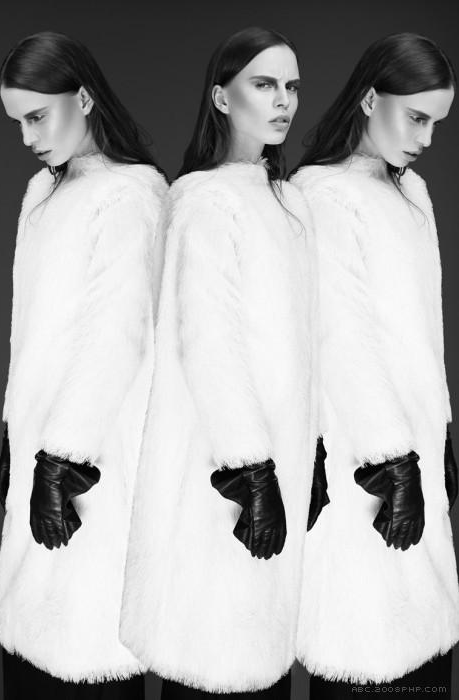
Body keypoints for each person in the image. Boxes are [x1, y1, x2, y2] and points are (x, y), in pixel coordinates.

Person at [120, 27, 318, 699]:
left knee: (261, 668)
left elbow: (302, 343)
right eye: (263, 84)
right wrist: (252, 470)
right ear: (221, 98)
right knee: (213, 667)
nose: (283, 100)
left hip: (279, 473)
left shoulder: (289, 203)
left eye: (291, 86)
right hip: (223, 484)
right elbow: (207, 342)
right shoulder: (203, 200)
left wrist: (313, 449)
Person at [0, 31, 167, 699]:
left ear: (85, 98)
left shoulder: (132, 195)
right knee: (31, 660)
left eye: (38, 116)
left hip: (91, 473)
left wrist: (61, 459)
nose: (28, 137)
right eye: (18, 122)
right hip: (38, 465)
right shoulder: (42, 194)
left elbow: (116, 340)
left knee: (89, 659)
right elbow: (34, 339)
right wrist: (14, 435)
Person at [290, 32, 459, 699]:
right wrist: (392, 462)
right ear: (369, 99)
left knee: (422, 665)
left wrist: (440, 436)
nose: (425, 138)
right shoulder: (323, 196)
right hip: (365, 474)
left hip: (418, 470)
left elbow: (419, 340)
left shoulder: (411, 194)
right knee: (363, 657)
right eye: (415, 117)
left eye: (435, 123)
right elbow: (339, 343)